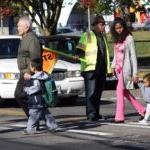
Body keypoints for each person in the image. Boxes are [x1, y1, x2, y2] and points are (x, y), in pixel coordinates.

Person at [76, 15, 111, 121]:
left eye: (104, 24)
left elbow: (105, 53)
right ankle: (91, 114)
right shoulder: (87, 35)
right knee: (91, 93)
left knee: (97, 93)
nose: (104, 26)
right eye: (102, 24)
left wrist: (108, 69)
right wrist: (78, 54)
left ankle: (96, 113)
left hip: (101, 69)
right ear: (95, 25)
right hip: (90, 69)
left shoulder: (102, 36)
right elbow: (80, 49)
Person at [111, 17, 145, 123]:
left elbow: (133, 57)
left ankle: (119, 117)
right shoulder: (116, 38)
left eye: (120, 27)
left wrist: (135, 73)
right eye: (117, 28)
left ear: (124, 27)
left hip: (126, 71)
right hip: (118, 70)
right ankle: (143, 110)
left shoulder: (129, 38)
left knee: (119, 91)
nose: (119, 30)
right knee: (125, 92)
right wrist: (112, 66)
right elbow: (116, 55)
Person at [15, 16, 41, 117]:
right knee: (24, 96)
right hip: (24, 72)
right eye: (18, 26)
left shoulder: (32, 39)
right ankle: (34, 118)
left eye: (20, 26)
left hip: (29, 73)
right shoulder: (24, 38)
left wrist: (29, 72)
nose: (18, 28)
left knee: (20, 95)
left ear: (27, 27)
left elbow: (35, 57)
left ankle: (34, 117)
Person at [23, 58, 58, 134]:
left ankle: (30, 129)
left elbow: (36, 88)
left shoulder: (36, 78)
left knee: (33, 115)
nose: (30, 67)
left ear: (33, 68)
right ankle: (52, 126)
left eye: (30, 66)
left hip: (36, 100)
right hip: (43, 98)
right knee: (45, 114)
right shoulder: (44, 75)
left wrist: (27, 89)